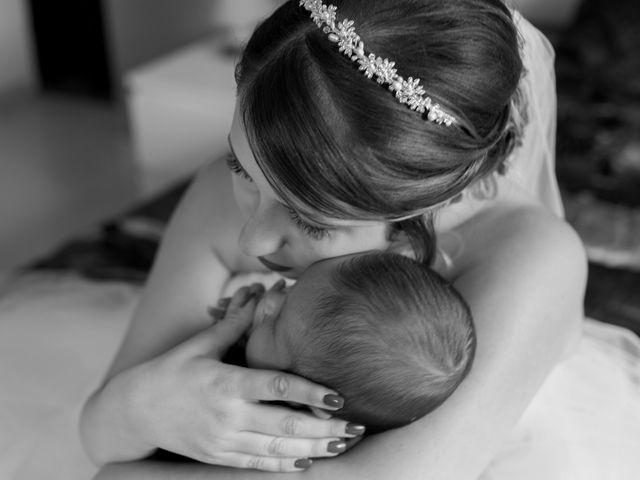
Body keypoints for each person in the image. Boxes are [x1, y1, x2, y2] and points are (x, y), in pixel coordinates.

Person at [82, 0, 640, 479]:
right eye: (242, 169)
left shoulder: (532, 257)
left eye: (312, 221)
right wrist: (143, 407)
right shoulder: (214, 198)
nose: (253, 240)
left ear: (429, 204)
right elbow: (100, 437)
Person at [230, 252, 476, 434]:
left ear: (307, 400)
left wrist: (220, 342)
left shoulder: (248, 425)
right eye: (292, 286)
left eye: (272, 323)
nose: (270, 298)